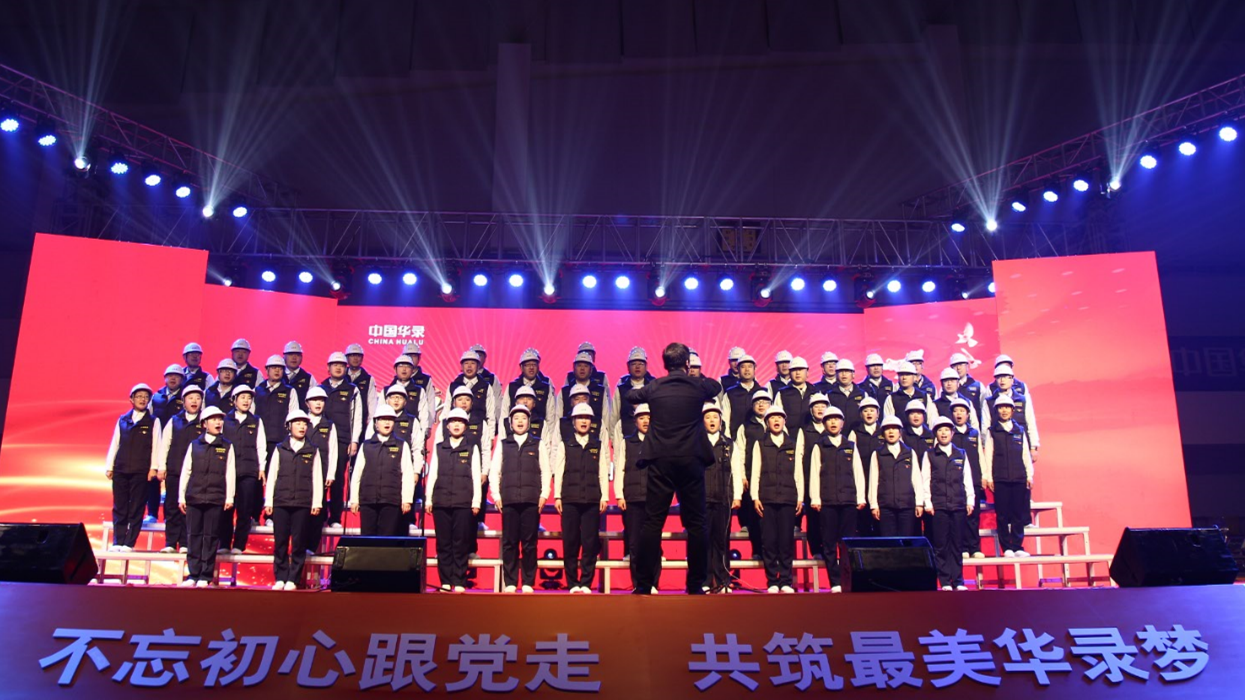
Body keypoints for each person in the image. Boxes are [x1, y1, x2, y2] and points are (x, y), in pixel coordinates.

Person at [623, 343, 723, 595]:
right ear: (687, 364)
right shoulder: (697, 385)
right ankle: (696, 584)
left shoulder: (655, 387)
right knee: (697, 523)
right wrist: (694, 375)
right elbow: (715, 387)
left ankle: (644, 584)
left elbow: (631, 396)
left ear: (665, 364)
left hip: (661, 461)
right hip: (691, 460)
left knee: (652, 522)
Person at [490, 404, 550, 593]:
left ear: (529, 422)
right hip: (509, 500)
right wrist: (496, 495)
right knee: (509, 542)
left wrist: (544, 494)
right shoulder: (503, 444)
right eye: (516, 418)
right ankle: (510, 581)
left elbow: (545, 471)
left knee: (529, 543)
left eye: (523, 418)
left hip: (531, 500)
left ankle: (528, 582)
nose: (520, 421)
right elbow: (495, 471)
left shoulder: (537, 443)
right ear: (510, 423)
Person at [552, 403, 610, 593]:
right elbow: (559, 472)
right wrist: (558, 496)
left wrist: (604, 496)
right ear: (573, 421)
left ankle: (586, 583)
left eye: (587, 418)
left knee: (590, 543)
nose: (583, 421)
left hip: (592, 501)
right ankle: (572, 583)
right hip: (569, 500)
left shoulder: (598, 445)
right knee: (570, 543)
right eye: (580, 418)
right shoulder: (565, 444)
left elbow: (603, 472)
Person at [808, 406, 866, 593]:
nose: (833, 422)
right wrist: (815, 497)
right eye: (829, 419)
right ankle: (835, 581)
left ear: (842, 423)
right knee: (829, 543)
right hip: (828, 502)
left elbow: (858, 473)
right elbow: (814, 473)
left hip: (848, 501)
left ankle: (849, 580)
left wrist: (860, 496)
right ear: (824, 424)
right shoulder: (819, 446)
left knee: (848, 543)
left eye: (836, 419)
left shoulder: (851, 446)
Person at [264, 410, 323, 590]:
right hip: (281, 501)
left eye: (304, 424)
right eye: (298, 423)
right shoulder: (280, 448)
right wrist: (269, 501)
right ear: (289, 426)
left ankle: (293, 578)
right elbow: (272, 475)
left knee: (299, 543)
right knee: (280, 542)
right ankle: (280, 577)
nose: (302, 427)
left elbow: (317, 477)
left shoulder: (313, 450)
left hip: (302, 502)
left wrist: (317, 502)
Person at [425, 407, 482, 592]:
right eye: (453, 422)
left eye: (460, 422)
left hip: (463, 502)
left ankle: (459, 580)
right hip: (441, 501)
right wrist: (429, 499)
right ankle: (445, 581)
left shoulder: (472, 448)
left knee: (460, 543)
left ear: (465, 426)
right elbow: (433, 474)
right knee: (443, 543)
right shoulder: (439, 447)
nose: (456, 425)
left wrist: (476, 501)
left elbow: (475, 476)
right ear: (447, 426)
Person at [178, 406, 235, 587]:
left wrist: (229, 497)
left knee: (210, 537)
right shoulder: (195, 445)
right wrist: (181, 497)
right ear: (204, 424)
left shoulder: (227, 446)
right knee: (193, 535)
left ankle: (205, 575)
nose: (218, 423)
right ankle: (193, 574)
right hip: (194, 496)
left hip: (215, 497)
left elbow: (230, 473)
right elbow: (186, 471)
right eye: (214, 419)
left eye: (220, 419)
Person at [749, 404, 803, 593]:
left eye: (779, 417)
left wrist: (800, 497)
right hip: (767, 499)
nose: (776, 420)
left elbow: (798, 473)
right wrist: (755, 497)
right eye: (772, 418)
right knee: (769, 541)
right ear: (767, 422)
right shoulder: (760, 443)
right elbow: (755, 472)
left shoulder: (793, 444)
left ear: (784, 421)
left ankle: (786, 581)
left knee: (786, 541)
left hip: (788, 499)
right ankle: (772, 580)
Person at [104, 383, 161, 552]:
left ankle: (129, 543)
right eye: (139, 396)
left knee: (137, 506)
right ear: (131, 399)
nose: (142, 400)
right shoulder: (123, 419)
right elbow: (115, 443)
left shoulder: (153, 421)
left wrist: (153, 467)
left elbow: (156, 445)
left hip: (141, 470)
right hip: (121, 469)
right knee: (120, 506)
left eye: (146, 397)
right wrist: (110, 466)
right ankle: (118, 541)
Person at [921, 416, 974, 590]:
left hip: (958, 504)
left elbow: (967, 479)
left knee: (957, 545)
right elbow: (925, 479)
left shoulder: (961, 453)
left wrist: (970, 500)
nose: (943, 433)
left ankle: (958, 581)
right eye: (940, 430)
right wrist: (928, 502)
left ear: (952, 433)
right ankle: (944, 581)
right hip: (939, 506)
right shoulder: (930, 455)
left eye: (946, 430)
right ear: (935, 434)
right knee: (941, 545)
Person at [613, 403, 660, 591]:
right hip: (632, 499)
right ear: (635, 421)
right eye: (641, 418)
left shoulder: (659, 442)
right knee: (634, 544)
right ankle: (639, 583)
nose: (646, 421)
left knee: (654, 542)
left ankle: (653, 582)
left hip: (654, 499)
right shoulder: (627, 442)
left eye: (648, 417)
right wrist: (619, 495)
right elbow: (620, 469)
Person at [982, 395, 1034, 558]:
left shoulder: (1019, 431)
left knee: (1018, 513)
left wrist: (1029, 475)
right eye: (1000, 407)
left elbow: (1025, 454)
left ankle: (1018, 546)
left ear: (1012, 410)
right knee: (1003, 515)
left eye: (1007, 407)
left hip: (1019, 477)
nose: (1004, 410)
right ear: (996, 410)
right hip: (1001, 479)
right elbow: (988, 455)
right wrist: (989, 477)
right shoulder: (992, 431)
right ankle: (1007, 547)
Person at [351, 406, 416, 537]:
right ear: (376, 423)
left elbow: (407, 474)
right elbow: (357, 474)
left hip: (391, 500)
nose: (387, 422)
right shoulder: (366, 445)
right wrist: (354, 499)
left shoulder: (401, 445)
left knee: (387, 538)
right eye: (383, 419)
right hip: (368, 500)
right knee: (367, 539)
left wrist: (407, 499)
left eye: (390, 419)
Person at [155, 384, 204, 553]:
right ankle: (170, 542)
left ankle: (185, 543)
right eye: (190, 398)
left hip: (195, 473)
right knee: (171, 506)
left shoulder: (204, 422)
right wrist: (162, 467)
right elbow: (165, 445)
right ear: (183, 401)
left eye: (198, 398)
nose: (194, 401)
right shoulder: (174, 421)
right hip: (175, 471)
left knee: (189, 508)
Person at [317, 353, 362, 532]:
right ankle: (319, 516)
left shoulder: (352, 390)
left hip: (343, 439)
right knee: (319, 476)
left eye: (341, 365)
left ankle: (335, 517)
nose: (338, 368)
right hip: (321, 439)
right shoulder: (320, 388)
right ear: (328, 368)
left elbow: (357, 417)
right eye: (334, 365)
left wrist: (354, 440)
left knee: (337, 480)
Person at [702, 400, 743, 593]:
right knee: (703, 541)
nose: (712, 421)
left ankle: (722, 581)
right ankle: (704, 581)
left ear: (720, 421)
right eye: (708, 417)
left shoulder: (729, 444)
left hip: (723, 499)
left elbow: (736, 470)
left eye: (715, 417)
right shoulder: (696, 443)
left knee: (721, 541)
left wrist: (737, 495)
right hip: (702, 499)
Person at [221, 385, 265, 554]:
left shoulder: (256, 421)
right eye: (242, 397)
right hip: (228, 471)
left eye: (249, 398)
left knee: (245, 509)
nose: (246, 401)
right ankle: (224, 544)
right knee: (226, 508)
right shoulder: (225, 420)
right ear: (234, 400)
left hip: (249, 470)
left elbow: (261, 446)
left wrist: (261, 467)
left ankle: (239, 545)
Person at [868, 415, 925, 537]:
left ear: (900, 432)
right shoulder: (877, 454)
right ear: (883, 433)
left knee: (906, 540)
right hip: (885, 506)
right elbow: (873, 480)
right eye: (887, 429)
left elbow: (916, 479)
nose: (891, 432)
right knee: (888, 541)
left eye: (894, 428)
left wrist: (919, 503)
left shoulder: (909, 452)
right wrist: (874, 504)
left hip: (907, 505)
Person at [732, 388, 772, 562]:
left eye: (765, 402)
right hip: (751, 476)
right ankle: (757, 551)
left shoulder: (776, 423)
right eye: (757, 402)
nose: (761, 405)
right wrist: (742, 475)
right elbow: (740, 452)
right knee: (755, 518)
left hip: (772, 478)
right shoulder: (745, 427)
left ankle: (771, 553)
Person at [302, 386, 339, 553]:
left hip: (322, 474)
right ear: (307, 403)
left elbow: (333, 451)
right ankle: (300, 544)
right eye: (314, 400)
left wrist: (330, 473)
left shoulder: (329, 425)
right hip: (302, 474)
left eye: (321, 400)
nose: (318, 403)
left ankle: (311, 546)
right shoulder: (301, 422)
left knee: (319, 508)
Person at [949, 398, 986, 559]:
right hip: (956, 481)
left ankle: (974, 547)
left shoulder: (974, 433)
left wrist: (984, 476)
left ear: (968, 414)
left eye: (962, 411)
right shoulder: (948, 433)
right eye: (956, 411)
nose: (959, 414)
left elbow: (980, 457)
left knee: (973, 516)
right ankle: (962, 547)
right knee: (959, 516)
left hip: (974, 480)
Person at [795, 393, 830, 564]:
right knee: (813, 518)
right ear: (811, 410)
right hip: (810, 481)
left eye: (823, 406)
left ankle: (830, 550)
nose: (820, 409)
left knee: (829, 519)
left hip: (830, 482)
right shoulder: (805, 431)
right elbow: (799, 457)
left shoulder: (833, 429)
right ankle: (816, 549)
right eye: (816, 406)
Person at [148, 364, 186, 522]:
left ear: (182, 379)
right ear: (164, 378)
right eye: (170, 376)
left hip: (176, 443)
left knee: (172, 479)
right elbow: (149, 417)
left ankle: (171, 515)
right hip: (157, 442)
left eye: (176, 376)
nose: (173, 378)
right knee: (153, 477)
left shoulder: (186, 397)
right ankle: (152, 513)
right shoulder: (156, 397)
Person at [982, 364, 1040, 463]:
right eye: (999, 377)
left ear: (1012, 379)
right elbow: (985, 425)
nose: (1002, 380)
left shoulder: (1022, 400)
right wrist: (985, 445)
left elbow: (1030, 422)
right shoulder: (989, 401)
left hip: (1020, 445)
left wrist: (1033, 447)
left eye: (1005, 377)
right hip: (997, 447)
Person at [447, 350, 497, 446]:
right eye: (466, 363)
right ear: (461, 366)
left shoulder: (485, 386)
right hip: (455, 434)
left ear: (478, 366)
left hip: (478, 432)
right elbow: (447, 410)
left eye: (473, 363)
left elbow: (490, 413)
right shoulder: (453, 385)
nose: (469, 366)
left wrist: (490, 436)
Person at [256, 355, 298, 464]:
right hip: (259, 441)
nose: (277, 370)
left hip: (280, 441)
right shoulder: (257, 390)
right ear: (267, 370)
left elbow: (293, 416)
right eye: (274, 367)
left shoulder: (289, 391)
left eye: (280, 368)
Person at [500, 348, 554, 432]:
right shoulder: (512, 387)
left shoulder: (546, 387)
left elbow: (550, 416)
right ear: (521, 367)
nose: (531, 367)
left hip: (539, 433)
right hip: (514, 433)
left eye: (534, 364)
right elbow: (504, 413)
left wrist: (549, 436)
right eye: (528, 365)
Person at [852, 396, 883, 536]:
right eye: (865, 411)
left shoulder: (884, 431)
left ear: (878, 413)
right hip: (862, 481)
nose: (869, 413)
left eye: (872, 410)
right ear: (860, 414)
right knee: (863, 522)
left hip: (881, 482)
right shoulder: (855, 433)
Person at [612, 347, 654, 446]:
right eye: (634, 364)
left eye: (641, 364)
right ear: (628, 367)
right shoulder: (621, 388)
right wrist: (613, 437)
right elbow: (615, 414)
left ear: (646, 366)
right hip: (626, 433)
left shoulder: (653, 386)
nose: (637, 367)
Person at [556, 351, 610, 428]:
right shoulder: (565, 391)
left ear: (591, 369)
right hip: (568, 431)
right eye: (579, 365)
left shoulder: (600, 391)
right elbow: (558, 417)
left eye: (586, 366)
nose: (582, 369)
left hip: (595, 431)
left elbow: (606, 417)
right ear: (574, 368)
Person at [386, 354, 435, 435]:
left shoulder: (419, 391)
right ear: (395, 369)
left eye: (408, 366)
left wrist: (424, 432)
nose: (404, 369)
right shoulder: (386, 390)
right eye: (401, 366)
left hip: (413, 432)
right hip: (389, 432)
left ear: (412, 370)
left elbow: (423, 414)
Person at [721, 354, 763, 437]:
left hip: (759, 438)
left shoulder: (763, 392)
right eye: (743, 367)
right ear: (738, 369)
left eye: (750, 366)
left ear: (754, 369)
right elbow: (725, 417)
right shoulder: (730, 393)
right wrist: (727, 438)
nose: (747, 369)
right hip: (735, 438)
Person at [773, 356, 814, 433]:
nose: (797, 373)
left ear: (807, 372)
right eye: (794, 370)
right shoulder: (782, 393)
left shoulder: (815, 392)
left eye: (800, 369)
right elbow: (777, 417)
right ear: (789, 373)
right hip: (790, 435)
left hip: (811, 435)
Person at [824, 359, 865, 431]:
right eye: (840, 371)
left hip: (859, 433)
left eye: (847, 371)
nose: (844, 374)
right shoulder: (829, 395)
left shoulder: (863, 394)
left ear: (853, 374)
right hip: (837, 434)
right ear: (836, 375)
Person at [344, 343, 376, 426]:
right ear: (346, 358)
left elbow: (372, 403)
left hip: (361, 421)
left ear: (362, 358)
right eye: (352, 355)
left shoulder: (368, 379)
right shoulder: (341, 377)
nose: (355, 358)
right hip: (342, 420)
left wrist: (371, 424)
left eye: (358, 355)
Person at [949, 353, 984, 426]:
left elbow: (984, 409)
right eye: (955, 365)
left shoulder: (978, 386)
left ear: (967, 366)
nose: (958, 368)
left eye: (961, 364)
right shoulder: (947, 388)